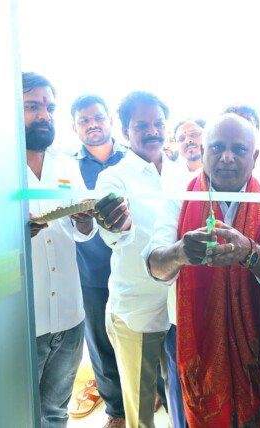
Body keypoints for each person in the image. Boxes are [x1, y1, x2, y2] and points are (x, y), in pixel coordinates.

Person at [145, 113, 260, 427]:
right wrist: (180, 252)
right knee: (192, 413)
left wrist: (248, 251)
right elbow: (154, 265)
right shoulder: (180, 195)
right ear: (203, 151)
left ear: (254, 156)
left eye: (238, 149)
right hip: (190, 334)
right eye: (217, 147)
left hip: (257, 334)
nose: (227, 157)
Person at [93, 91, 188, 428]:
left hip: (179, 307)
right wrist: (118, 225)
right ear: (125, 131)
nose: (152, 131)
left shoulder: (182, 174)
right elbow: (113, 233)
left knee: (182, 405)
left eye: (158, 123)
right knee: (141, 413)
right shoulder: (113, 177)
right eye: (142, 125)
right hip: (137, 308)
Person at [23, 72, 96, 427]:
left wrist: (85, 221)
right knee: (16, 414)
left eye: (49, 108)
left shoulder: (66, 164)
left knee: (55, 414)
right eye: (32, 107)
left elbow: (81, 232)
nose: (44, 115)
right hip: (23, 320)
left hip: (69, 314)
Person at [70, 94, 127, 427]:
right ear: (75, 127)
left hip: (133, 266)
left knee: (143, 332)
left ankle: (152, 392)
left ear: (110, 121)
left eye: (98, 118)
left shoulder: (131, 159)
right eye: (84, 120)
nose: (92, 124)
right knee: (101, 343)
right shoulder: (69, 166)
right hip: (91, 268)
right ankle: (117, 410)